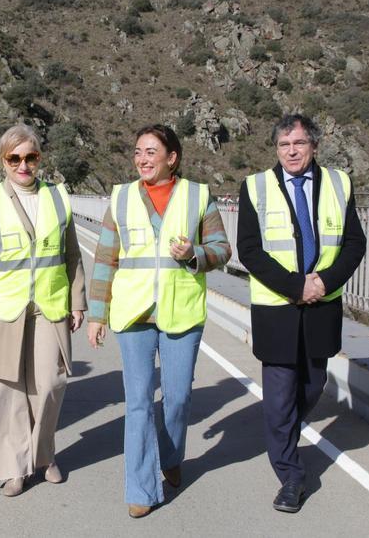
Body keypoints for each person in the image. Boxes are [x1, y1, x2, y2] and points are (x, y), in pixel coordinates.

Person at [86, 124, 232, 518]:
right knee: (138, 403)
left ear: (172, 158)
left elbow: (222, 249)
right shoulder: (121, 198)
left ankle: (170, 455)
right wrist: (98, 314)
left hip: (181, 310)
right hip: (132, 312)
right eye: (138, 152)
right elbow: (105, 259)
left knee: (178, 398)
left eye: (151, 152)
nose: (142, 159)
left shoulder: (197, 196)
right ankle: (141, 490)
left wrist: (194, 253)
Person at [233, 114, 365, 513]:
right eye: (284, 145)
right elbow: (249, 249)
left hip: (322, 307)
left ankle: (283, 435)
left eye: (299, 144)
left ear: (314, 146)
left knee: (312, 387)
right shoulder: (255, 187)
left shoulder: (339, 184)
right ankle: (291, 475)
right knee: (279, 399)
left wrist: (323, 282)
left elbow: (355, 242)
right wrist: (296, 286)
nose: (291, 152)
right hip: (277, 309)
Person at [0, 124, 86, 497]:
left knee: (50, 384)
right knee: (5, 391)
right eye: (14, 158)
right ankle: (13, 467)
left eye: (30, 157)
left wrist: (77, 300)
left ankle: (43, 455)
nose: (23, 165)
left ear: (39, 158)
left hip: (48, 304)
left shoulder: (57, 197)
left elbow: (72, 255)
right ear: (3, 161)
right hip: (1, 308)